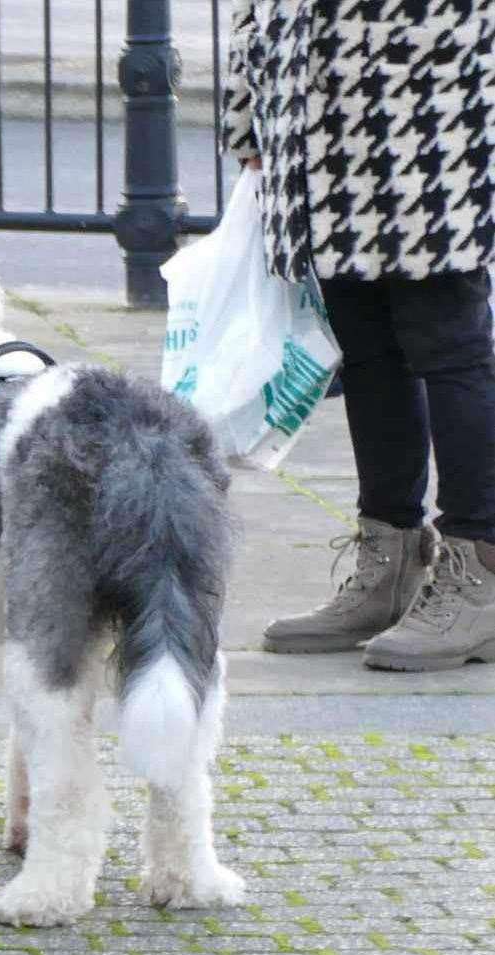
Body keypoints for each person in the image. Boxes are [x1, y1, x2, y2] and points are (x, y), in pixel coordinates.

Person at [224, 0, 495, 670]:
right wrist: (247, 112)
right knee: (367, 350)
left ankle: (479, 565)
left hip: (428, 110)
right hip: (316, 122)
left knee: (447, 342)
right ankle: (390, 557)